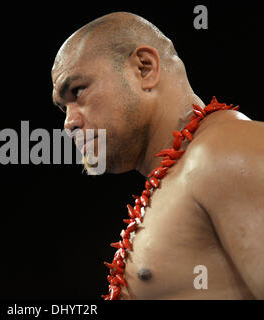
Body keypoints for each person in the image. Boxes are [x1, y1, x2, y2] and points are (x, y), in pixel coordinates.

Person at [51, 12, 264, 299]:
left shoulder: (224, 151)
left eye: (77, 91)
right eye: (63, 108)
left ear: (144, 68)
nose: (68, 123)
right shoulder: (182, 172)